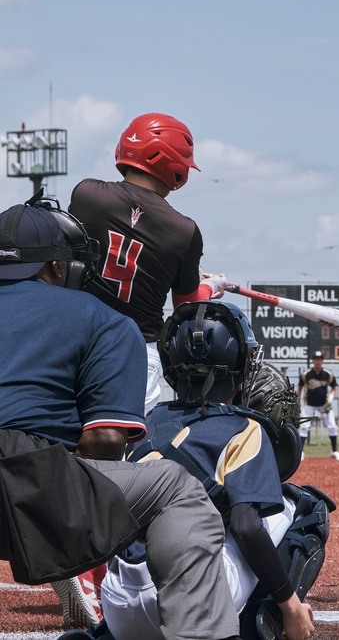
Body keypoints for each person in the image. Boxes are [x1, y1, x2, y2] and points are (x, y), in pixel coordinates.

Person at [0, 199, 240, 640]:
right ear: (57, 266)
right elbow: (105, 437)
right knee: (173, 488)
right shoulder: (101, 318)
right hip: (28, 482)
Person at [61, 112, 228, 627]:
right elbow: (183, 303)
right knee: (134, 460)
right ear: (176, 168)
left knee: (69, 449)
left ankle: (72, 559)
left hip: (72, 336)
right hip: (136, 348)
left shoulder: (86, 193)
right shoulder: (184, 231)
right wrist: (210, 288)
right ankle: (117, 572)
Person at [97, 301, 328, 640]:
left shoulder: (145, 423)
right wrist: (290, 603)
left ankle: (101, 634)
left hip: (117, 603)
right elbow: (247, 527)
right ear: (239, 364)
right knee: (305, 507)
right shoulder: (244, 428)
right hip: (187, 601)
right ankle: (260, 626)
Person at [298, 351, 339, 460]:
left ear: (322, 360)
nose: (318, 361)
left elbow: (333, 388)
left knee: (332, 426)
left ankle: (335, 451)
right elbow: (300, 388)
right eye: (316, 359)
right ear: (313, 360)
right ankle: (300, 452)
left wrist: (330, 399)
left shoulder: (327, 374)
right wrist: (297, 400)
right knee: (303, 427)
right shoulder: (306, 374)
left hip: (324, 404)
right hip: (309, 404)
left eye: (320, 359)